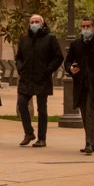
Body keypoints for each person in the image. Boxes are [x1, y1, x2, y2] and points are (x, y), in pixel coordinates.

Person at [65, 17, 94, 155]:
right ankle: (92, 141)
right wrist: (70, 69)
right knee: (84, 114)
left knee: (90, 113)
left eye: (88, 26)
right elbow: (67, 61)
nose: (85, 29)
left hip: (93, 85)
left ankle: (89, 144)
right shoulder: (75, 44)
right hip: (80, 85)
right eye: (83, 26)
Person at [15, 13, 63, 148]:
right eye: (32, 22)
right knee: (22, 103)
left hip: (42, 79)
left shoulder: (50, 38)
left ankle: (42, 138)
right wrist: (20, 68)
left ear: (42, 24)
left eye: (37, 21)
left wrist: (47, 70)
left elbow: (58, 57)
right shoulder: (24, 39)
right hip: (26, 78)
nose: (34, 24)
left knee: (42, 109)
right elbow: (18, 57)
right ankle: (29, 133)